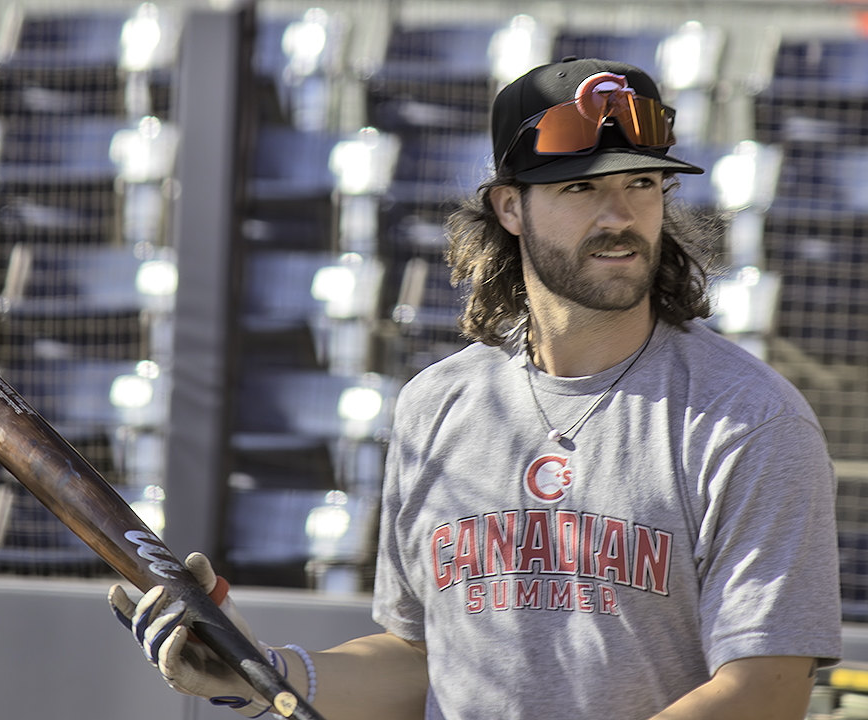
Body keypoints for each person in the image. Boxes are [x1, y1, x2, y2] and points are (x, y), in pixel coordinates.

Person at [109, 57, 842, 720]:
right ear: (510, 207)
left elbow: (765, 690)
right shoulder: (437, 406)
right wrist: (260, 674)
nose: (620, 216)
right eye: (581, 186)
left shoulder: (749, 419)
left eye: (642, 184)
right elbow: (420, 662)